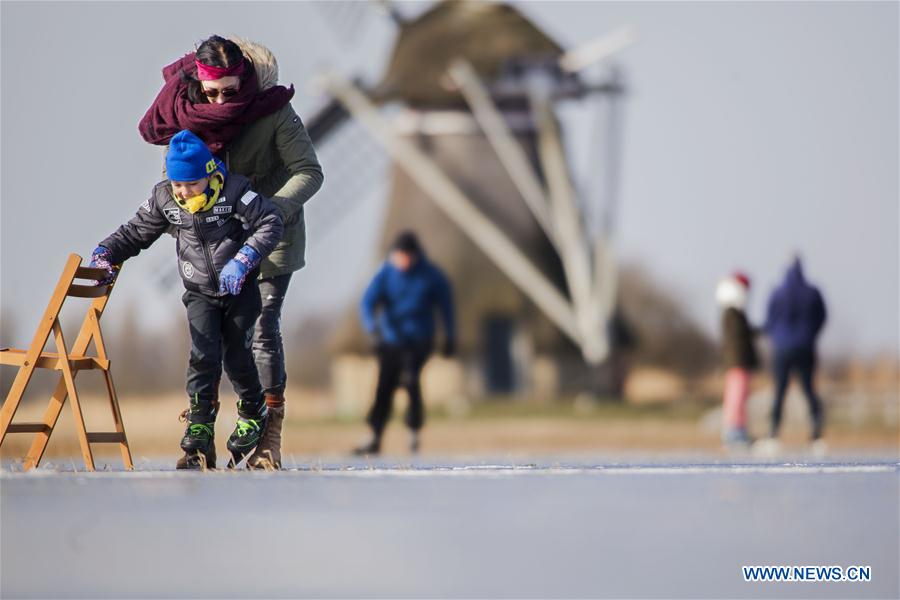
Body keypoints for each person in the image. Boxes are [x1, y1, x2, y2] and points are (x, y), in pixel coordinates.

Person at [139, 35, 324, 469]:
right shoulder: (184, 115)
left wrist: (269, 212)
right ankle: (202, 437)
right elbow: (177, 184)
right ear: (199, 84)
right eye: (212, 91)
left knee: (261, 329)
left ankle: (267, 437)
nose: (221, 99)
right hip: (213, 245)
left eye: (230, 91)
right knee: (209, 343)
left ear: (245, 81)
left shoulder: (274, 110)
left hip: (271, 238)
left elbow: (308, 171)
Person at [91, 130, 283, 470]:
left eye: (192, 184)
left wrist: (244, 258)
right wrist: (107, 252)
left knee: (237, 356)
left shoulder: (235, 190)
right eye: (178, 184)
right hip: (199, 294)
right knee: (202, 356)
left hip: (239, 290)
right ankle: (199, 429)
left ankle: (253, 411)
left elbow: (270, 220)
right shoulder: (165, 198)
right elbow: (135, 231)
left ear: (210, 173)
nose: (184, 192)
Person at [355, 232, 456, 455]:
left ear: (415, 255)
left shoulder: (431, 276)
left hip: (419, 338)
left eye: (407, 256)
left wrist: (449, 336)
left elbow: (446, 305)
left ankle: (413, 430)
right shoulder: (385, 274)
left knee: (411, 378)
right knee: (385, 386)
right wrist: (372, 329)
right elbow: (367, 302)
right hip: (391, 339)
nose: (403, 261)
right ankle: (375, 435)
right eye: (399, 256)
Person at [761, 257, 827, 453]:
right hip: (805, 346)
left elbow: (769, 320)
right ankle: (816, 434)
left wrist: (776, 336)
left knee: (780, 391)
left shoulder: (777, 292)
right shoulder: (813, 292)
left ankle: (773, 434)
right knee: (808, 389)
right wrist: (810, 334)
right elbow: (822, 316)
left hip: (782, 348)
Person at [715, 272, 759, 449]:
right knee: (736, 396)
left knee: (739, 396)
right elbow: (738, 337)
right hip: (736, 362)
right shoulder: (732, 312)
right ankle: (734, 431)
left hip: (737, 362)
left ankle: (737, 429)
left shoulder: (733, 312)